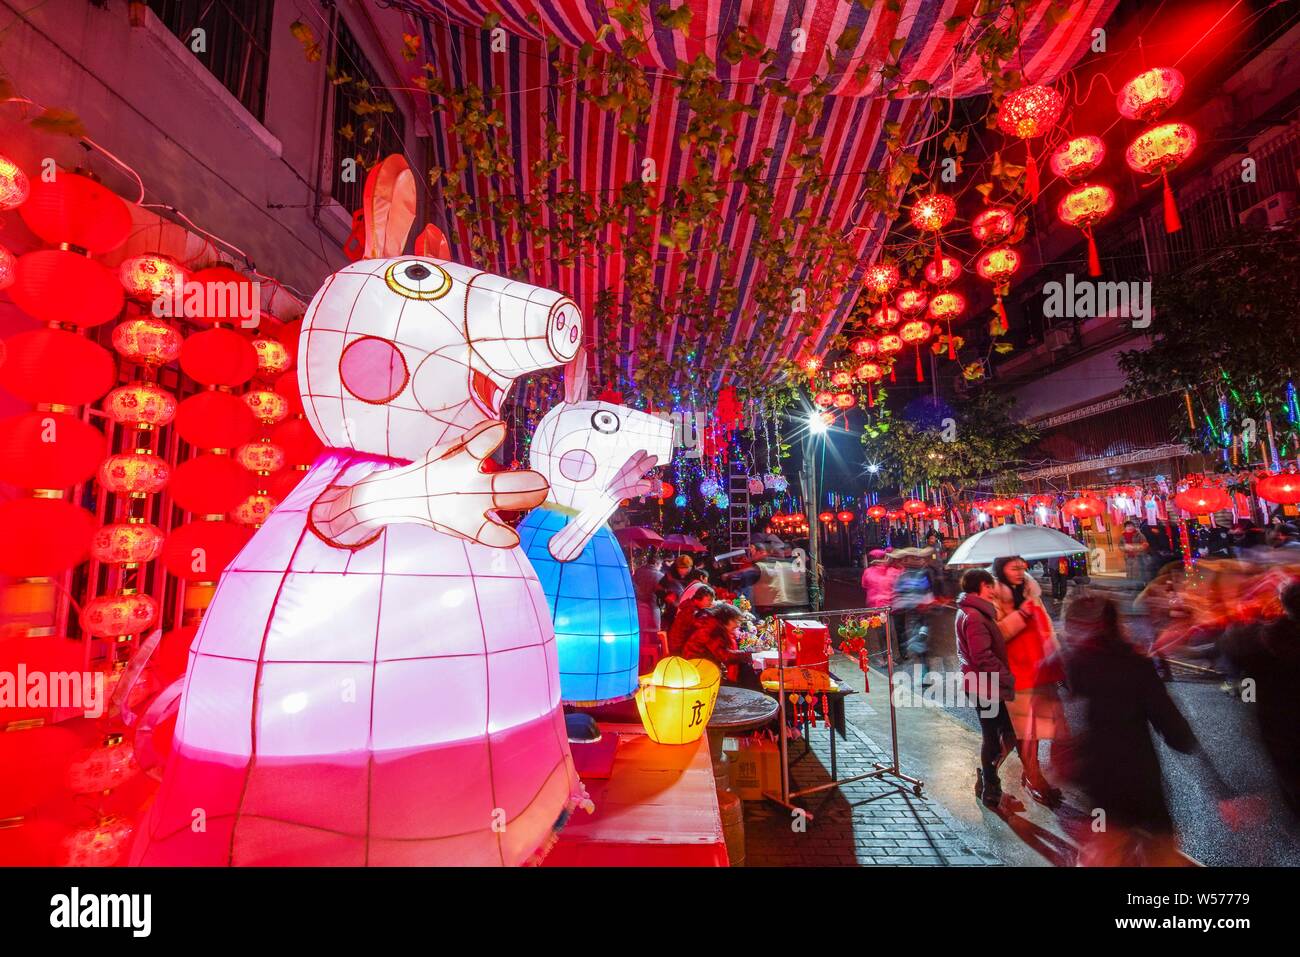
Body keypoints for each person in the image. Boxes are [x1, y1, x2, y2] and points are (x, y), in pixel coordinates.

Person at [1057, 592, 1202, 865]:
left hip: (1098, 778)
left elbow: (1071, 717)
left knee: (1104, 849)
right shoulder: (1135, 665)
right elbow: (1172, 726)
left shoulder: (1074, 664)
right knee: (1160, 851)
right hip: (1139, 777)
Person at [991, 555, 1067, 806]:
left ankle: (1026, 775)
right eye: (1013, 567)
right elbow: (997, 634)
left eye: (1022, 567)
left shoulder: (1030, 590)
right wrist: (1021, 614)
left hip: (1039, 668)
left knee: (1036, 728)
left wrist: (1056, 659)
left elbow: (1045, 628)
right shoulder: (994, 594)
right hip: (1016, 671)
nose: (1020, 571)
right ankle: (1024, 778)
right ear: (1001, 569)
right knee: (1020, 732)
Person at [1220, 581, 1300, 818]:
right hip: (1279, 723)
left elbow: (1230, 643)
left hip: (1278, 725)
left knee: (1290, 775)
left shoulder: (1262, 637)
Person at [954, 568, 1017, 810]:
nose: (992, 590)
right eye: (989, 586)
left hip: (982, 684)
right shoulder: (974, 617)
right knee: (997, 735)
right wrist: (1006, 677)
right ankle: (989, 783)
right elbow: (982, 657)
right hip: (985, 686)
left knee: (1001, 734)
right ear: (980, 586)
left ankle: (988, 779)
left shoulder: (972, 613)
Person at [681, 603, 752, 680]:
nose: (738, 625)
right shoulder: (713, 630)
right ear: (725, 619)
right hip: (698, 670)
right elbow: (725, 656)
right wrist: (749, 655)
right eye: (735, 621)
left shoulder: (713, 626)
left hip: (701, 666)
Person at [632, 548, 667, 669]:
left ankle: (640, 664)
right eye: (661, 564)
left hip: (638, 611)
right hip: (652, 611)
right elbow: (662, 596)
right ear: (657, 563)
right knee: (652, 639)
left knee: (640, 640)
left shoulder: (638, 572)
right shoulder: (660, 576)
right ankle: (650, 666)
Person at [667, 582, 715, 656]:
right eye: (709, 600)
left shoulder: (691, 606)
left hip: (679, 646)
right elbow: (700, 627)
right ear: (698, 598)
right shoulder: (690, 611)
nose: (711, 603)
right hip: (679, 650)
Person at [659, 554, 696, 630]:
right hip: (672, 612)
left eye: (685, 568)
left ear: (690, 567)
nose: (682, 570)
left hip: (690, 612)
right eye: (680, 568)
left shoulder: (695, 576)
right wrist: (666, 596)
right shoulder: (669, 576)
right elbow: (658, 589)